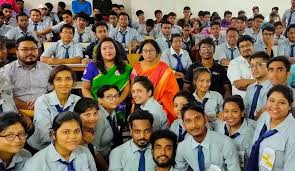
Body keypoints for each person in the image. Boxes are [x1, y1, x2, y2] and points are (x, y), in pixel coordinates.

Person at [27, 65, 80, 150]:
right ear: (52, 83)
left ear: (73, 83)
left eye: (68, 79)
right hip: (42, 147)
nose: (64, 83)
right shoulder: (42, 101)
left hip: (69, 145)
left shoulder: (78, 100)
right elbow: (45, 135)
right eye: (58, 79)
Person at [174, 102, 241, 171]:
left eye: (197, 119)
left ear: (205, 119)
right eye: (188, 121)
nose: (194, 125)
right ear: (184, 125)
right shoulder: (182, 147)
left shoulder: (225, 143)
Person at [23, 111, 97, 171]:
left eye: (77, 131)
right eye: (66, 132)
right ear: (53, 134)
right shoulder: (36, 164)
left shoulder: (85, 152)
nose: (73, 136)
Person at [245, 85, 295, 171]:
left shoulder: (292, 132)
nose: (275, 106)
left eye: (282, 102)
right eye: (271, 101)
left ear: (290, 106)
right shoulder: (264, 116)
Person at [130, 39, 179, 124]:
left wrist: (160, 101)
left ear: (157, 52)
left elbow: (172, 91)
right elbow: (133, 88)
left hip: (161, 105)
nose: (148, 53)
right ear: (141, 52)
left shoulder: (165, 68)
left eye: (151, 50)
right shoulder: (136, 68)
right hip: (140, 103)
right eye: (145, 51)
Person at [3, 36, 52, 118]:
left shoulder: (48, 69)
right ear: (17, 52)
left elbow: (52, 92)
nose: (30, 52)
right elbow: (5, 97)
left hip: (45, 109)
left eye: (33, 49)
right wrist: (27, 106)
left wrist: (41, 102)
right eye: (24, 49)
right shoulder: (7, 70)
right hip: (16, 112)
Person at [215, 95, 255, 169]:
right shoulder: (218, 126)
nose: (230, 115)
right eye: (226, 111)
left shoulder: (253, 131)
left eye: (234, 111)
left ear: (242, 113)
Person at [74, 97, 108, 171]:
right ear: (77, 115)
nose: (92, 118)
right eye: (88, 115)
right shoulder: (74, 132)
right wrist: (83, 141)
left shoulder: (89, 130)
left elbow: (95, 152)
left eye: (95, 113)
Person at [94, 85, 123, 158]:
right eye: (109, 97)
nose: (113, 99)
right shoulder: (98, 117)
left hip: (112, 154)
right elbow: (95, 149)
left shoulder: (112, 110)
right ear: (100, 100)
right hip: (102, 160)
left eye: (116, 96)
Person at [227, 35, 256, 100]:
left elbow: (267, 83)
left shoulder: (260, 62)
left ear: (253, 46)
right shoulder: (234, 63)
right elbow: (238, 85)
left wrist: (246, 82)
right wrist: (259, 82)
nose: (246, 48)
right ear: (239, 49)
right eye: (242, 47)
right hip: (241, 104)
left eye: (248, 45)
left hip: (259, 103)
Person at [244, 51, 271, 120]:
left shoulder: (274, 88)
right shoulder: (250, 88)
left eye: (259, 65)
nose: (254, 69)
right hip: (248, 124)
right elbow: (245, 108)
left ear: (268, 66)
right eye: (252, 65)